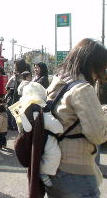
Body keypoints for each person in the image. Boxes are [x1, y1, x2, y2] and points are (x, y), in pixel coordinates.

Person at [46, 38, 107, 198]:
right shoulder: (83, 89)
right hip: (76, 172)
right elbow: (98, 135)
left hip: (53, 168)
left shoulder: (57, 85)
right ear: (93, 64)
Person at [5, 59, 30, 130]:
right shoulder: (20, 74)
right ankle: (16, 126)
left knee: (18, 113)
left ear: (19, 66)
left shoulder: (22, 75)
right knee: (17, 112)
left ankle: (18, 127)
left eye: (15, 65)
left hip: (20, 97)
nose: (14, 66)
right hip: (17, 96)